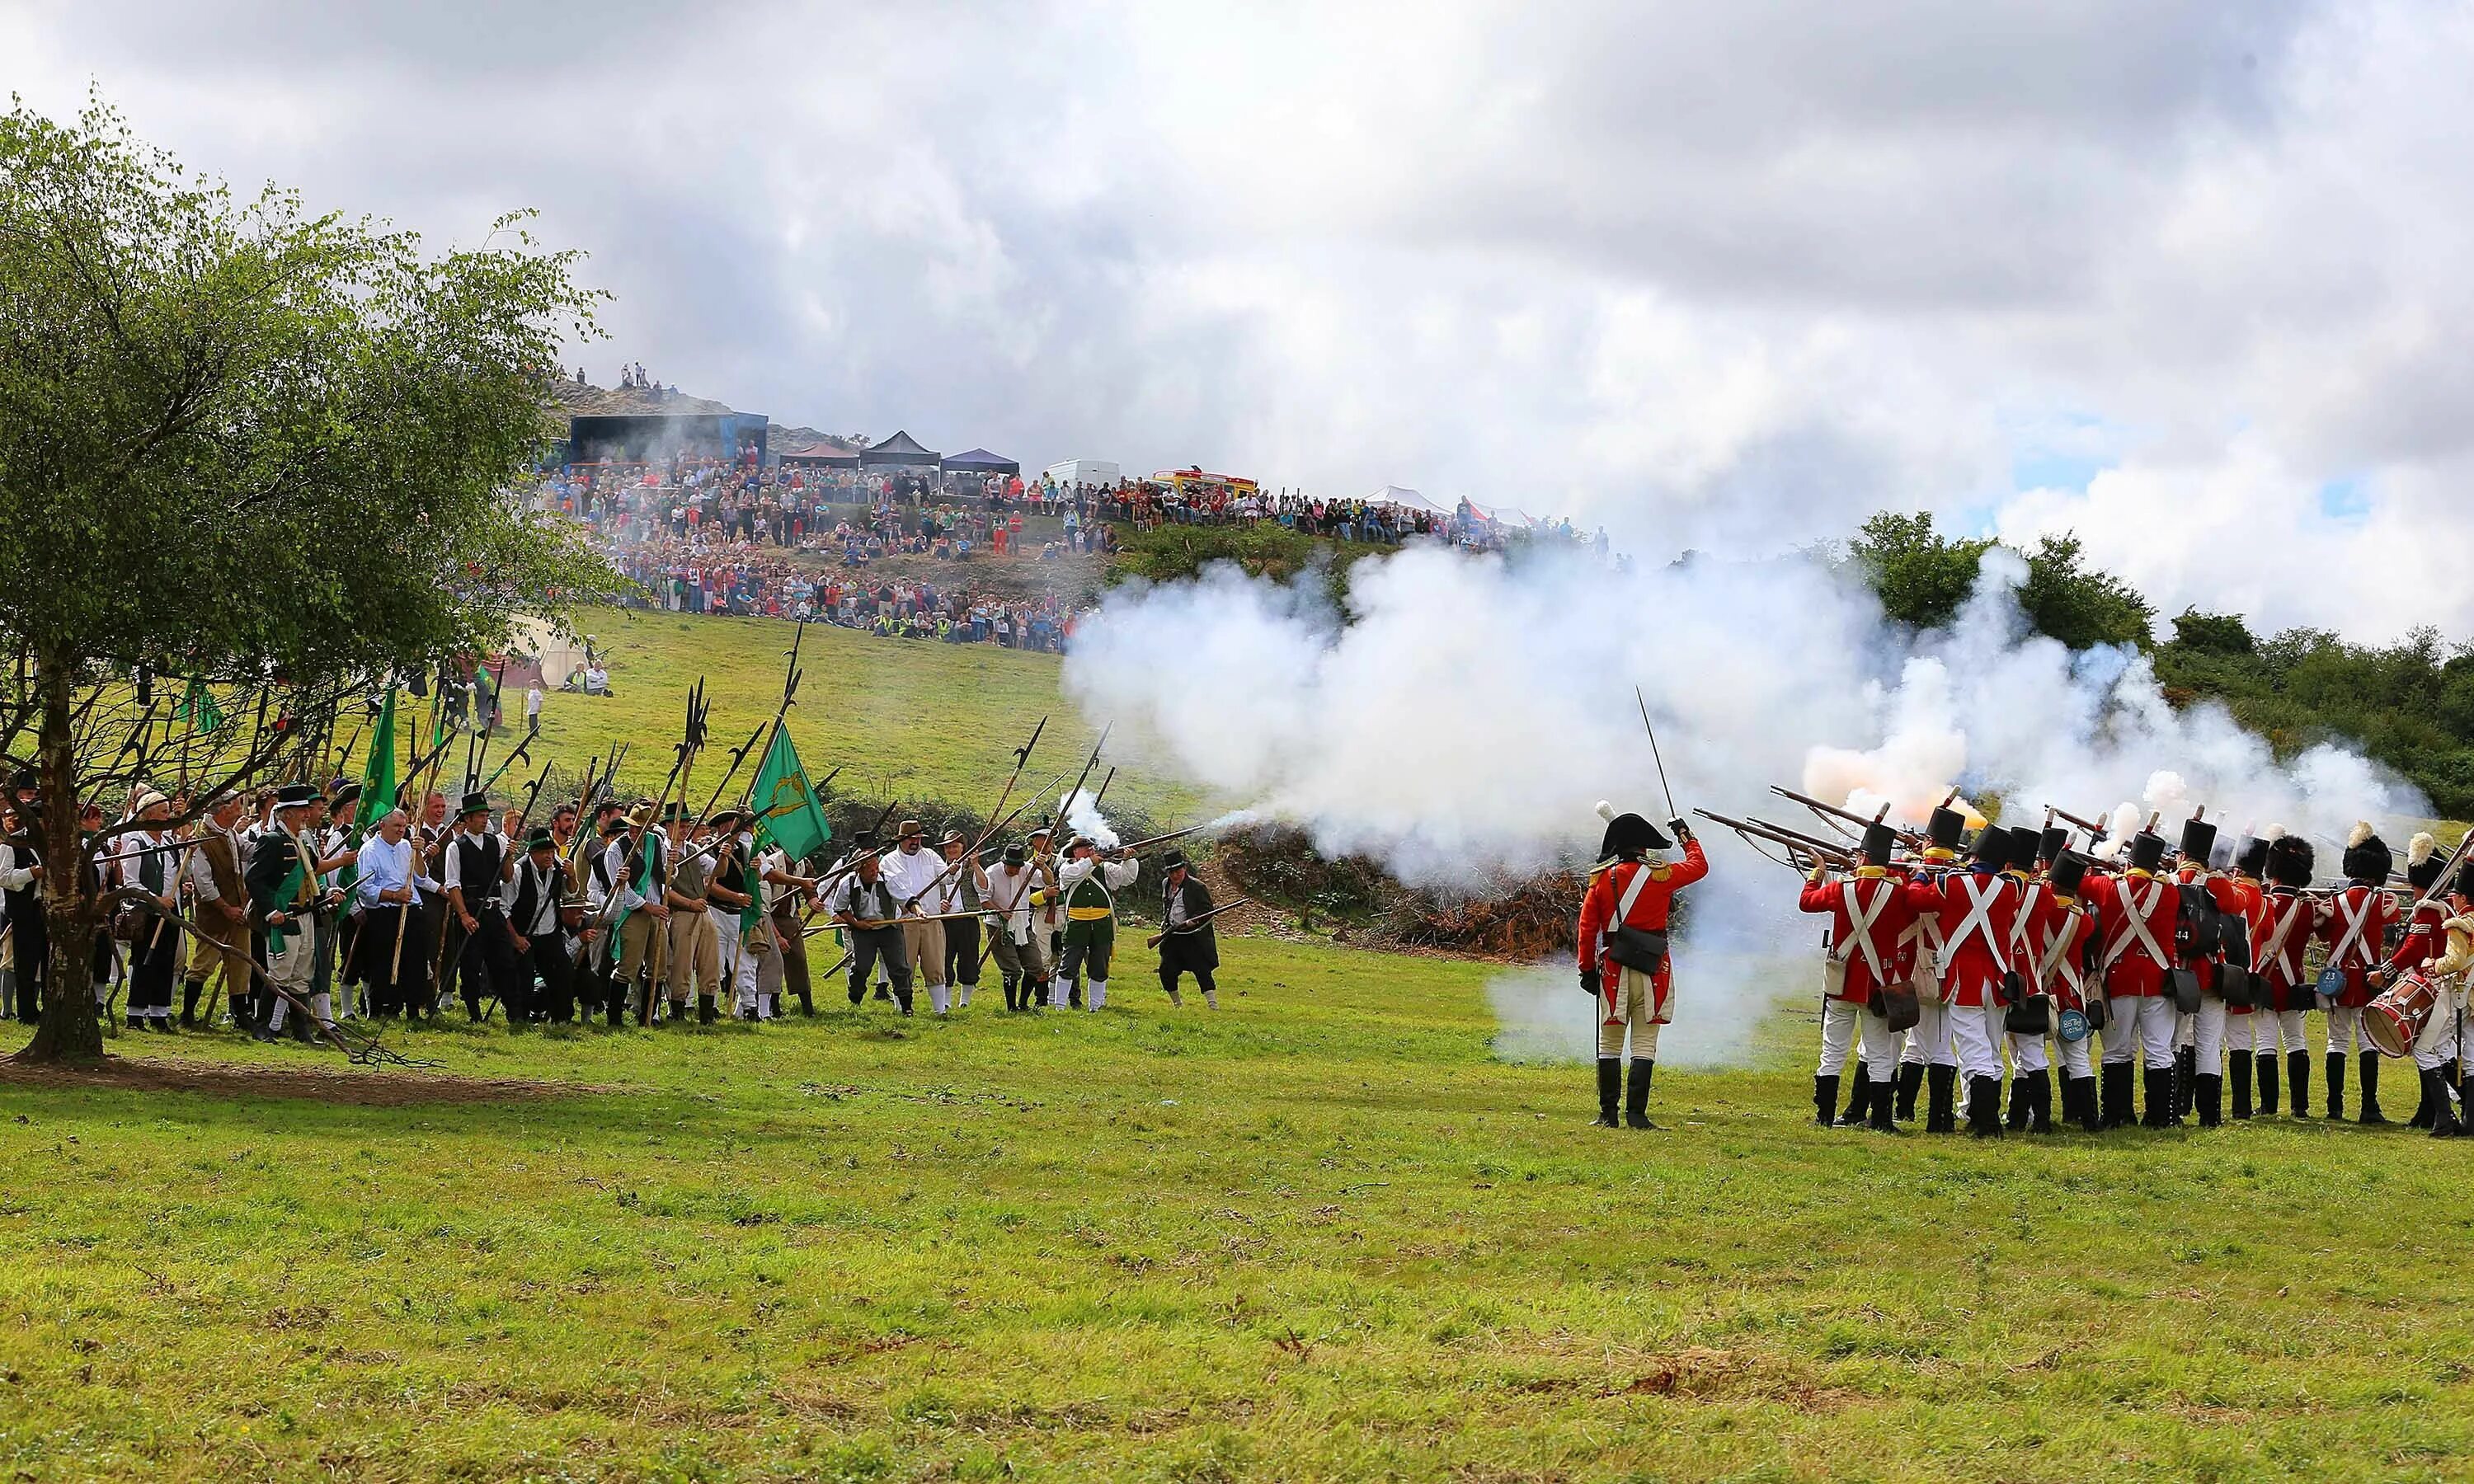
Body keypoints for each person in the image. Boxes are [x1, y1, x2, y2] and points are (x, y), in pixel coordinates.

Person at [1574, 802, 1708, 1130]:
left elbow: (1587, 930)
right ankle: (1636, 1115)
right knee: (1644, 1043)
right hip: (1653, 967)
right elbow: (1699, 865)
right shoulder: (1661, 875)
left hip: (1614, 969)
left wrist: (1586, 970)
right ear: (1644, 845)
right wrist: (1684, 834)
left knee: (1609, 1044)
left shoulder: (1601, 881)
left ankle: (1608, 1115)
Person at [1796, 822, 1914, 1132]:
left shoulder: (1841, 888)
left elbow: (1806, 901)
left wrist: (1817, 872)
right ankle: (1883, 1121)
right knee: (1879, 1053)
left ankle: (1824, 1118)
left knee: (1832, 1050)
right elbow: (1919, 900)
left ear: (1862, 857)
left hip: (1841, 984)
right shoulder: (1899, 892)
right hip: (1878, 986)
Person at [1907, 824, 2023, 1138]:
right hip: (1998, 981)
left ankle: (1985, 1122)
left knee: (1973, 1052)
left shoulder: (1951, 883)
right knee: (1991, 1049)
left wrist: (1920, 873)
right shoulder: (2012, 888)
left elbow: (1916, 900)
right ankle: (1987, 1116)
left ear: (1972, 855)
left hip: (1964, 981)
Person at [2085, 827, 2184, 1128]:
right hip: (2158, 981)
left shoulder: (2108, 887)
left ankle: (2116, 1115)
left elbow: (2080, 880)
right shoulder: (2170, 891)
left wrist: (2103, 866)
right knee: (2159, 1050)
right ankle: (2160, 1117)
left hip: (2119, 981)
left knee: (2117, 1050)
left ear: (2128, 862)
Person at [244, 783, 339, 1042]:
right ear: (286, 814)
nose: (306, 815)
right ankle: (261, 1026)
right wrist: (271, 910)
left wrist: (328, 894)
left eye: (307, 810)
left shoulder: (302, 842)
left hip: (306, 915)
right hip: (283, 917)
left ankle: (301, 1029)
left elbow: (311, 879)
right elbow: (254, 880)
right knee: (279, 973)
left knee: (302, 976)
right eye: (301, 811)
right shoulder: (271, 841)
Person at [1894, 805, 1967, 1134]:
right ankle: (1913, 1110)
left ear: (1927, 841)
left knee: (1934, 1045)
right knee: (1922, 1041)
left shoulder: (1925, 875)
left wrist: (1919, 870)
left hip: (1927, 969)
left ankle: (1937, 1118)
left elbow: (1913, 899)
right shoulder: (1960, 876)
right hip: (1938, 969)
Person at [2318, 823, 2395, 1123]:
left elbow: (2323, 934)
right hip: (2367, 981)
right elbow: (2391, 919)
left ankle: (2334, 1107)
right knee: (2367, 1044)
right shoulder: (2383, 901)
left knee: (2335, 1043)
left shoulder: (2334, 903)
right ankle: (2369, 1107)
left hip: (2337, 983)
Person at [2389, 832, 2452, 1128]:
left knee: (2425, 1050)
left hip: (2430, 983)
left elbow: (2413, 947)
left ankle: (2436, 1111)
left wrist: (2387, 970)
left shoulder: (2428, 908)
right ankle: (2431, 1111)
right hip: (2450, 982)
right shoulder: (2451, 904)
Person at [442, 791, 520, 1027]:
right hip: (472, 911)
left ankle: (513, 1010)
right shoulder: (456, 848)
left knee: (504, 961)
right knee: (471, 963)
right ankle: (474, 1011)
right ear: (467, 820)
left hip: (493, 911)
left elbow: (506, 878)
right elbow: (453, 884)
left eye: (486, 815)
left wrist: (509, 857)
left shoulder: (495, 842)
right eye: (479, 816)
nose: (484, 820)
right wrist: (464, 915)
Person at [2255, 834, 2320, 1117]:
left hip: (2265, 981)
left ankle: (2268, 1106)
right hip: (2294, 981)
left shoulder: (2263, 902)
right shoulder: (2308, 907)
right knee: (2296, 1042)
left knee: (2265, 1043)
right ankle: (2300, 1106)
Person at [351, 808, 435, 1022]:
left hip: (411, 909)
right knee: (384, 962)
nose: (401, 830)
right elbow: (365, 889)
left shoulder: (407, 846)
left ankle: (414, 1007)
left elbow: (421, 877)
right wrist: (393, 895)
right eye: (397, 826)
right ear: (382, 826)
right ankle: (384, 1007)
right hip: (385, 912)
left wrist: (418, 854)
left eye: (404, 826)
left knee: (415, 960)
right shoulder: (369, 851)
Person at [114, 787, 183, 1031]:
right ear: (150, 814)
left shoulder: (170, 843)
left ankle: (159, 1013)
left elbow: (177, 871)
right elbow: (130, 881)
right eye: (164, 812)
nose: (168, 816)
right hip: (147, 912)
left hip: (170, 913)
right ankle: (135, 1013)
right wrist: (156, 899)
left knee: (166, 961)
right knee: (145, 961)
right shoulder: (136, 842)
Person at [181, 793, 252, 1031]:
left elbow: (247, 852)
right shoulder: (202, 839)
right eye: (236, 806)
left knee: (241, 964)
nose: (240, 809)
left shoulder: (230, 834)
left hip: (238, 911)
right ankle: (187, 1015)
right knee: (204, 964)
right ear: (223, 810)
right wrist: (226, 908)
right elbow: (204, 884)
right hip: (215, 914)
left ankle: (241, 1016)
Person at [1053, 835, 1139, 1011]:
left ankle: (1095, 1006)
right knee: (1068, 966)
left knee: (1099, 966)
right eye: (1085, 848)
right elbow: (1075, 873)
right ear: (1075, 852)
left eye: (1091, 847)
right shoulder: (1066, 868)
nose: (1090, 850)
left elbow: (1126, 878)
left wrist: (1128, 860)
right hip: (1077, 923)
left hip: (1101, 923)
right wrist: (1090, 862)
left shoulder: (1104, 867)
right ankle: (1059, 1006)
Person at [604, 801, 671, 1026]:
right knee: (628, 966)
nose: (634, 831)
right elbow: (623, 889)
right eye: (632, 827)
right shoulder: (616, 849)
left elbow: (665, 874)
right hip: (632, 912)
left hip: (657, 910)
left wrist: (673, 866)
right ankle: (614, 1019)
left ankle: (648, 1015)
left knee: (658, 968)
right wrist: (646, 906)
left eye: (639, 827)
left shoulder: (657, 843)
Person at [826, 848, 912, 1014]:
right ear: (860, 870)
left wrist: (919, 911)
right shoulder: (848, 883)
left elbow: (907, 899)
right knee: (861, 968)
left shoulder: (888, 879)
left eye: (876, 868)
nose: (875, 873)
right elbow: (840, 909)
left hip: (889, 928)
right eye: (871, 870)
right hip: (864, 931)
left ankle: (907, 1008)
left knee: (899, 967)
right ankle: (855, 1002)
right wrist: (857, 924)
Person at [878, 820, 951, 1009]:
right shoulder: (889, 860)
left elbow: (947, 877)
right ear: (901, 840)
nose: (916, 843)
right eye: (912, 839)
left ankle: (940, 1010)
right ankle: (901, 1008)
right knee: (904, 966)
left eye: (919, 839)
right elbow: (894, 886)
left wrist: (954, 869)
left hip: (931, 919)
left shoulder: (931, 856)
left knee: (935, 965)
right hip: (905, 921)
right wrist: (910, 905)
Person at [662, 804, 721, 1025]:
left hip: (702, 912)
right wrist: (689, 903)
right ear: (669, 826)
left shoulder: (695, 850)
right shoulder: (663, 851)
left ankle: (707, 1012)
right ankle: (677, 1009)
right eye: (681, 826)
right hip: (681, 914)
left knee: (709, 960)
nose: (685, 831)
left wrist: (724, 854)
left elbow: (718, 871)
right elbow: (663, 888)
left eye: (687, 826)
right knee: (682, 964)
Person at [507, 827, 571, 1024]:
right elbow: (504, 908)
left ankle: (562, 1018)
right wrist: (515, 938)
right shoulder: (519, 871)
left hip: (550, 932)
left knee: (563, 972)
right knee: (523, 980)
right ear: (532, 853)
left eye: (552, 852)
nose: (549, 856)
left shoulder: (558, 868)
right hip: (524, 934)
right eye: (544, 852)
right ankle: (519, 1018)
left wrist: (573, 876)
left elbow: (570, 894)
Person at [984, 842, 1052, 1011]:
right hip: (999, 926)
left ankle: (1023, 1004)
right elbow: (984, 901)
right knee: (1012, 970)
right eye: (1011, 867)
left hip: (1023, 924)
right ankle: (1011, 1007)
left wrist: (1043, 867)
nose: (1014, 870)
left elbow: (1049, 881)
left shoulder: (1027, 869)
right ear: (1004, 863)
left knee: (1036, 966)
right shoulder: (992, 872)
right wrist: (1000, 911)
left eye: (1017, 867)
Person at [1155, 852, 1221, 1008]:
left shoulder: (1197, 887)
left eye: (1178, 871)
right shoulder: (1166, 884)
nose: (1175, 875)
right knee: (1166, 970)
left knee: (1202, 970)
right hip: (1173, 935)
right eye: (1172, 872)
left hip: (1193, 936)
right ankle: (1177, 1004)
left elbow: (1207, 910)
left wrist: (1194, 921)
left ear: (1185, 869)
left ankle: (1213, 1004)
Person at [935, 829, 990, 1010]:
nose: (951, 850)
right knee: (945, 960)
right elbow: (930, 895)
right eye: (948, 847)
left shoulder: (971, 869)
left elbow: (984, 887)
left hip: (968, 919)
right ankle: (946, 1001)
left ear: (962, 848)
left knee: (968, 960)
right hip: (946, 922)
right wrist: (939, 905)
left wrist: (975, 865)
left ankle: (965, 1001)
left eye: (955, 846)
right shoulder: (939, 869)